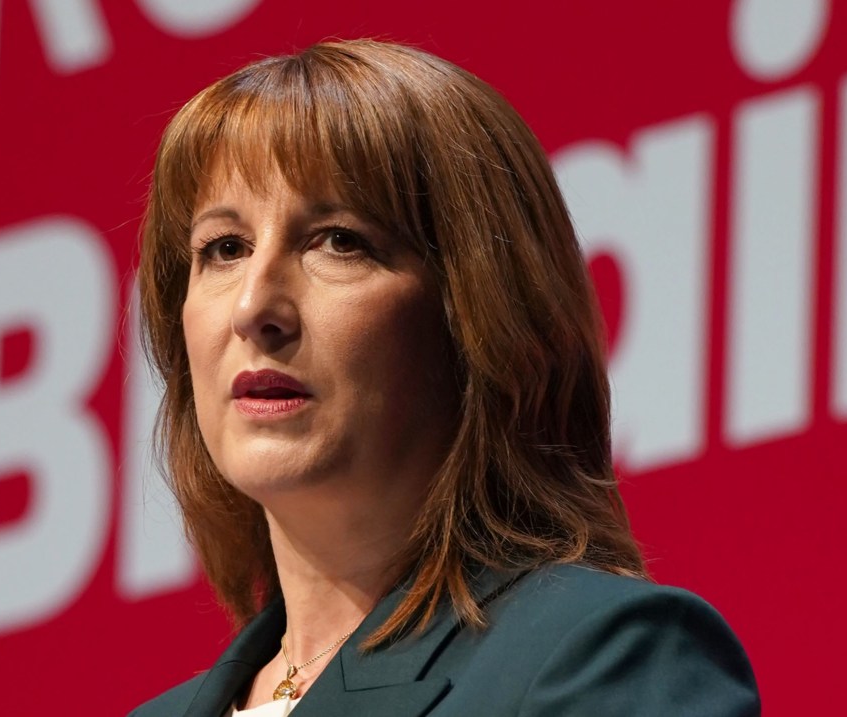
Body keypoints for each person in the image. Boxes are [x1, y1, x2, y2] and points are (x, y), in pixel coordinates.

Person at [129, 39, 760, 717]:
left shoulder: (599, 658)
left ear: (477, 313)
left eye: (339, 240)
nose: (255, 308)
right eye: (224, 248)